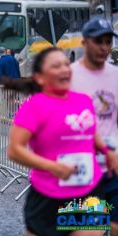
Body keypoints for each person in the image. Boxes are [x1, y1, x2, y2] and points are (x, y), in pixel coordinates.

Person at [8, 47, 118, 236]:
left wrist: (108, 152)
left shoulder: (83, 100)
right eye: (56, 66)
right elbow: (15, 150)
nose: (65, 69)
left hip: (88, 191)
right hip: (47, 195)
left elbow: (89, 133)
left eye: (66, 65)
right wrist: (52, 167)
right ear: (40, 77)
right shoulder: (34, 107)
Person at [71, 17, 118, 236]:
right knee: (89, 230)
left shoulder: (116, 75)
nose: (104, 47)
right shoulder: (69, 76)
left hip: (114, 166)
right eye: (98, 41)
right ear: (84, 43)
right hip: (83, 170)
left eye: (108, 42)